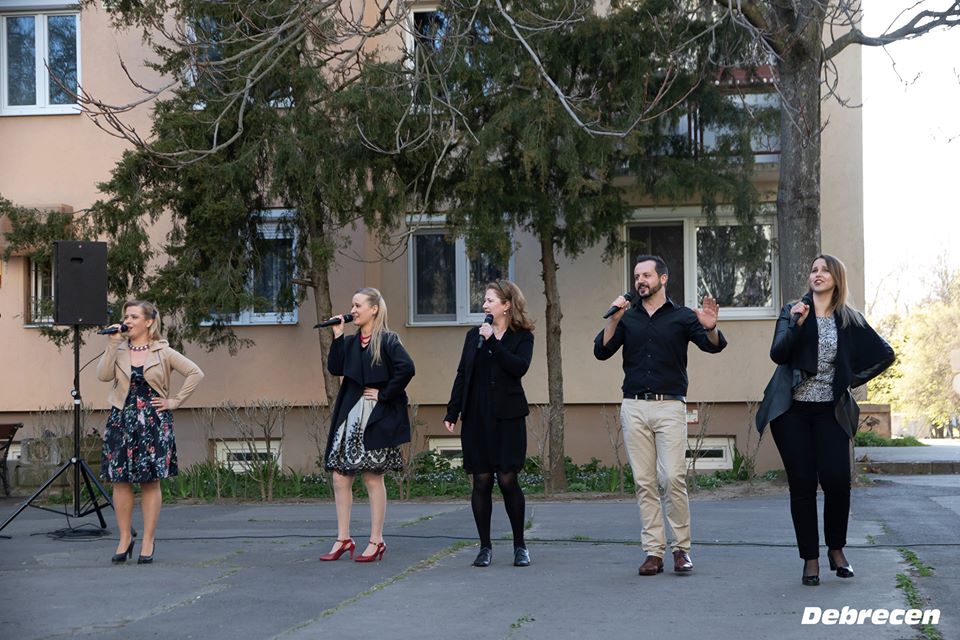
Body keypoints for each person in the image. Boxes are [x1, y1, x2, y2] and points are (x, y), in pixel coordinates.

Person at [756, 254, 894, 586]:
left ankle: (836, 549)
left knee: (837, 481)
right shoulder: (793, 311)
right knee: (802, 485)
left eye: (825, 270)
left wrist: (849, 380)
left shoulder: (849, 319)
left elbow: (885, 354)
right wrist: (797, 323)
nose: (817, 274)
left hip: (830, 411)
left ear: (836, 278)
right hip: (792, 412)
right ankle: (810, 559)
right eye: (813, 270)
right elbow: (778, 353)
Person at [594, 255, 727, 576]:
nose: (640, 281)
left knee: (672, 478)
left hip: (669, 406)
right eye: (637, 276)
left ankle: (681, 549)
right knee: (644, 482)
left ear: (663, 279)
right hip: (634, 406)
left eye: (647, 275)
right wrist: (613, 319)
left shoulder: (682, 316)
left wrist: (711, 327)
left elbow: (713, 346)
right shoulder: (628, 317)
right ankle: (653, 552)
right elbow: (602, 351)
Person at [97, 300, 204, 564]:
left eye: (134, 316)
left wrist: (174, 401)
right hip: (121, 419)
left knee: (150, 481)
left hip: (153, 421)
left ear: (149, 322)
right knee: (120, 480)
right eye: (126, 316)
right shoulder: (119, 348)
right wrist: (112, 344)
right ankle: (124, 538)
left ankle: (148, 539)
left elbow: (195, 373)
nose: (128, 321)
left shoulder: (163, 351)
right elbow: (103, 375)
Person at [444, 280, 535, 568]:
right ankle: (485, 547)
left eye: (490, 300)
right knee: (481, 480)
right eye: (484, 300)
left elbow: (519, 368)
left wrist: (494, 342)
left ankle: (520, 545)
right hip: (477, 415)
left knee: (508, 479)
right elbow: (463, 373)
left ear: (506, 305)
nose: (484, 305)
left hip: (508, 417)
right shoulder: (474, 336)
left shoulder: (522, 337)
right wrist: (452, 411)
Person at [320, 288, 415, 563]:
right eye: (352, 305)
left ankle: (376, 540)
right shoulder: (351, 342)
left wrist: (385, 394)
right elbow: (335, 368)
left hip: (375, 415)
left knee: (372, 477)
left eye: (358, 305)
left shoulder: (387, 340)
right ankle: (343, 538)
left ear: (374, 309)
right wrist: (338, 335)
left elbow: (407, 368)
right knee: (340, 476)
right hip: (350, 415)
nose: (353, 310)